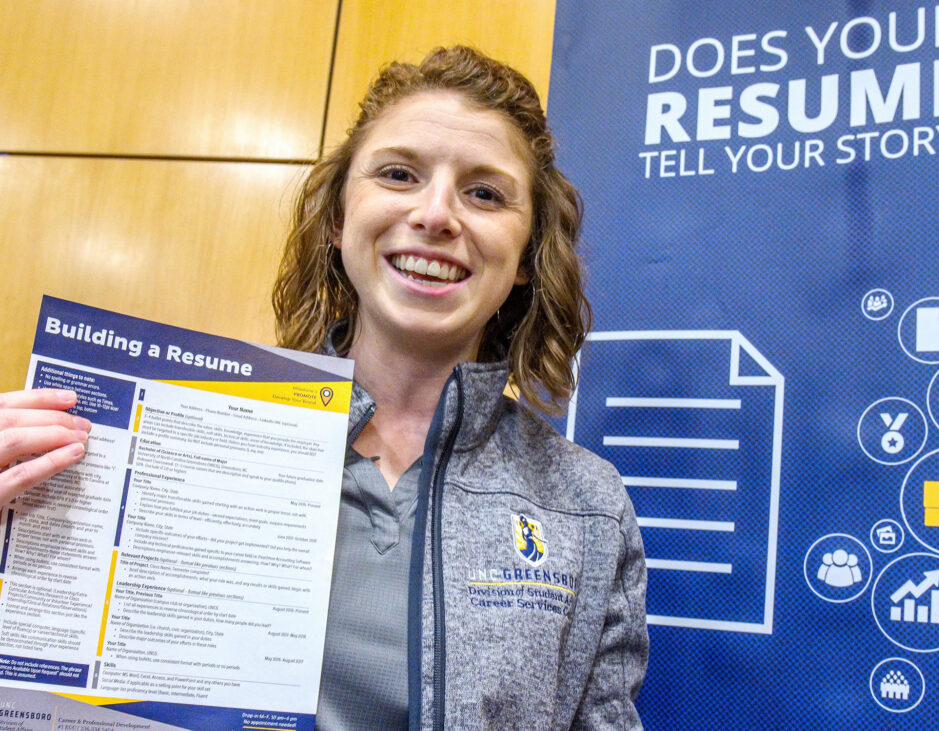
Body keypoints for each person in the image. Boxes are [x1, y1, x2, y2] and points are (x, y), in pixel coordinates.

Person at [0, 46, 648, 729]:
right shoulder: (162, 445)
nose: (436, 214)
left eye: (484, 193)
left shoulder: (586, 505)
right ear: (338, 219)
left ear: (526, 254)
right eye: (399, 174)